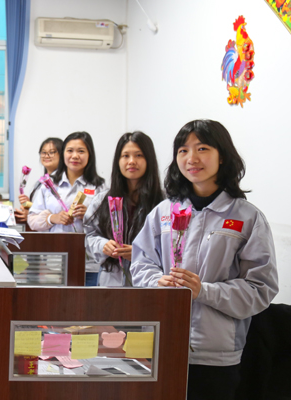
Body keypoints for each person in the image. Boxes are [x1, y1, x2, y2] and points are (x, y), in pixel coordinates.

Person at [130, 120, 278, 399]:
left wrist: (203, 291)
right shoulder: (163, 212)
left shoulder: (247, 217)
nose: (191, 158)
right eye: (183, 150)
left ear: (222, 156)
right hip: (161, 343)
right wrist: (157, 281)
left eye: (202, 148)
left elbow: (260, 289)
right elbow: (140, 262)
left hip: (215, 354)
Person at [84, 131, 165, 286]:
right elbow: (89, 235)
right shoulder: (103, 200)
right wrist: (103, 245)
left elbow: (171, 246)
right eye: (125, 156)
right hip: (110, 282)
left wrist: (140, 253)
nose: (131, 161)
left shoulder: (163, 202)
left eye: (139, 155)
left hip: (149, 284)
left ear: (149, 159)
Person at [27, 131, 106, 286]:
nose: (75, 156)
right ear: (63, 154)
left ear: (90, 155)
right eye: (70, 150)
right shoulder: (49, 184)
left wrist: (89, 215)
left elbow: (109, 225)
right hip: (54, 262)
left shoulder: (99, 186)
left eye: (81, 151)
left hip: (89, 264)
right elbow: (32, 220)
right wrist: (52, 218)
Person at [14, 137, 63, 223]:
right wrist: (28, 204)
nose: (46, 156)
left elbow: (57, 210)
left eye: (51, 152)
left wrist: (31, 215)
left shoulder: (63, 182)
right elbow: (41, 207)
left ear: (62, 155)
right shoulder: (40, 182)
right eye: (43, 152)